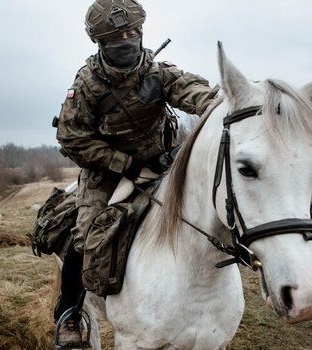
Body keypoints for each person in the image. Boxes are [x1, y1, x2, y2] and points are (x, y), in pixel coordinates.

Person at [54, 0, 219, 346]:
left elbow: (191, 90)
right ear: (100, 41)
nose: (127, 39)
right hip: (107, 173)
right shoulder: (87, 85)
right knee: (84, 237)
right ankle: (69, 312)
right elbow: (71, 138)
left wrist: (219, 104)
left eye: (132, 32)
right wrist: (125, 164)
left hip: (161, 165)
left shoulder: (156, 72)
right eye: (117, 36)